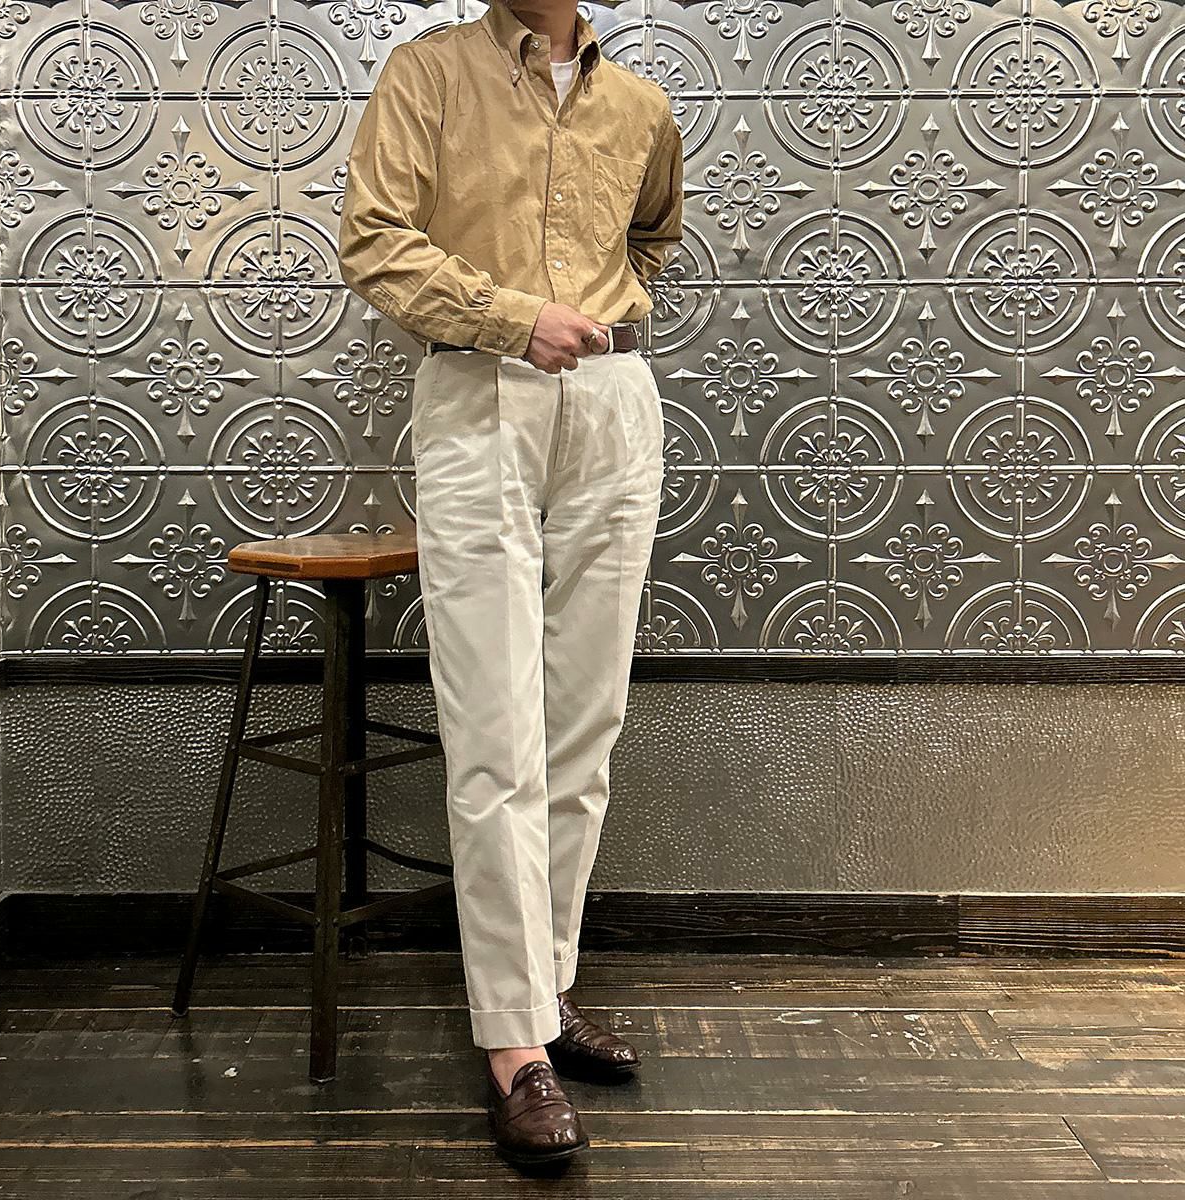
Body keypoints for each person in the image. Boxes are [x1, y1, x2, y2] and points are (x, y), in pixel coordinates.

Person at [338, 0, 683, 1167]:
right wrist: (509, 317)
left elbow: (650, 238)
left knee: (585, 724)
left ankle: (545, 985)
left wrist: (590, 322)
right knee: (496, 731)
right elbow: (373, 240)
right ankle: (512, 1045)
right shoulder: (428, 75)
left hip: (614, 404)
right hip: (478, 394)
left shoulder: (641, 106)